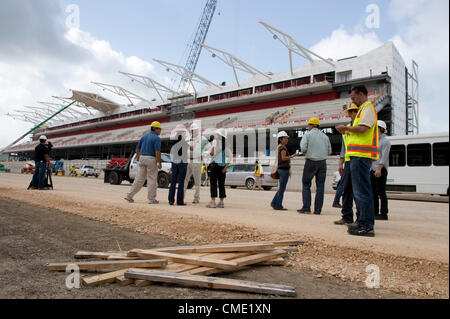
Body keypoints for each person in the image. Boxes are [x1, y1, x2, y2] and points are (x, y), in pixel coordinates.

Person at [336, 85, 379, 237]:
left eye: (354, 98)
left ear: (361, 94)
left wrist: (346, 129)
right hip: (357, 156)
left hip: (361, 155)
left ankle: (366, 225)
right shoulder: (363, 110)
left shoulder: (368, 108)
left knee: (362, 191)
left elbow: (363, 129)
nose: (353, 102)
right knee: (359, 191)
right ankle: (362, 221)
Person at [297, 117, 332, 215]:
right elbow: (329, 151)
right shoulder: (325, 137)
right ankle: (318, 210)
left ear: (311, 125)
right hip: (322, 162)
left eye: (308, 125)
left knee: (306, 184)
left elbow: (303, 148)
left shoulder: (307, 135)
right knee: (320, 186)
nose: (307, 127)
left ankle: (306, 208)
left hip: (311, 161)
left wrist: (308, 152)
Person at [334, 103, 361, 225]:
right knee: (347, 190)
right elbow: (344, 148)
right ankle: (347, 216)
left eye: (352, 112)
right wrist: (341, 163)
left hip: (359, 160)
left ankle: (360, 218)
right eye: (350, 112)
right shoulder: (347, 128)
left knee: (358, 191)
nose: (350, 115)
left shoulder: (362, 127)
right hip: (349, 162)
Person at [124, 121, 162, 204]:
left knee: (139, 179)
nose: (160, 131)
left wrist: (138, 157)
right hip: (151, 158)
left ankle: (129, 196)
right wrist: (159, 163)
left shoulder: (144, 137)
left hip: (142, 158)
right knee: (152, 179)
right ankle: (151, 199)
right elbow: (157, 152)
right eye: (160, 129)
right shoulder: (156, 138)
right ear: (156, 129)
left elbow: (137, 148)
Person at [271, 131, 299, 210]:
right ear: (280, 139)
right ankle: (278, 205)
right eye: (285, 138)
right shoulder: (282, 147)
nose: (287, 139)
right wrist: (292, 156)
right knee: (282, 188)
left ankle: (274, 203)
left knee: (281, 188)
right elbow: (283, 158)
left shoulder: (278, 147)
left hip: (280, 169)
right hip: (283, 169)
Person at [184, 123, 211, 204]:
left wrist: (204, 155)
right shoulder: (187, 138)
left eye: (195, 130)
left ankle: (196, 197)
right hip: (188, 160)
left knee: (197, 180)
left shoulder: (202, 139)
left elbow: (209, 148)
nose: (193, 131)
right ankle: (181, 197)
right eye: (192, 130)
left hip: (197, 160)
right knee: (185, 179)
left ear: (197, 130)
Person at [370, 120, 391, 220]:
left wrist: (379, 169)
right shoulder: (374, 140)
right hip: (372, 168)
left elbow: (384, 157)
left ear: (381, 129)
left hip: (380, 169)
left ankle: (384, 213)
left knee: (381, 192)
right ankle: (375, 212)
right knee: (373, 192)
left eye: (376, 127)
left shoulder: (385, 141)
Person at [206, 128, 232, 208]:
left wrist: (210, 152)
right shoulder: (226, 144)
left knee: (213, 183)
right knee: (221, 184)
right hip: (222, 166)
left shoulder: (215, 141)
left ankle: (213, 202)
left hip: (215, 165)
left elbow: (212, 153)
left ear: (219, 135)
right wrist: (226, 167)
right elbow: (230, 156)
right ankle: (221, 202)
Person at [169, 124, 189, 206]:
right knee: (181, 182)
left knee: (173, 182)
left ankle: (171, 200)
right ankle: (179, 201)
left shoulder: (173, 142)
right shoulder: (184, 142)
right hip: (182, 163)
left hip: (174, 163)